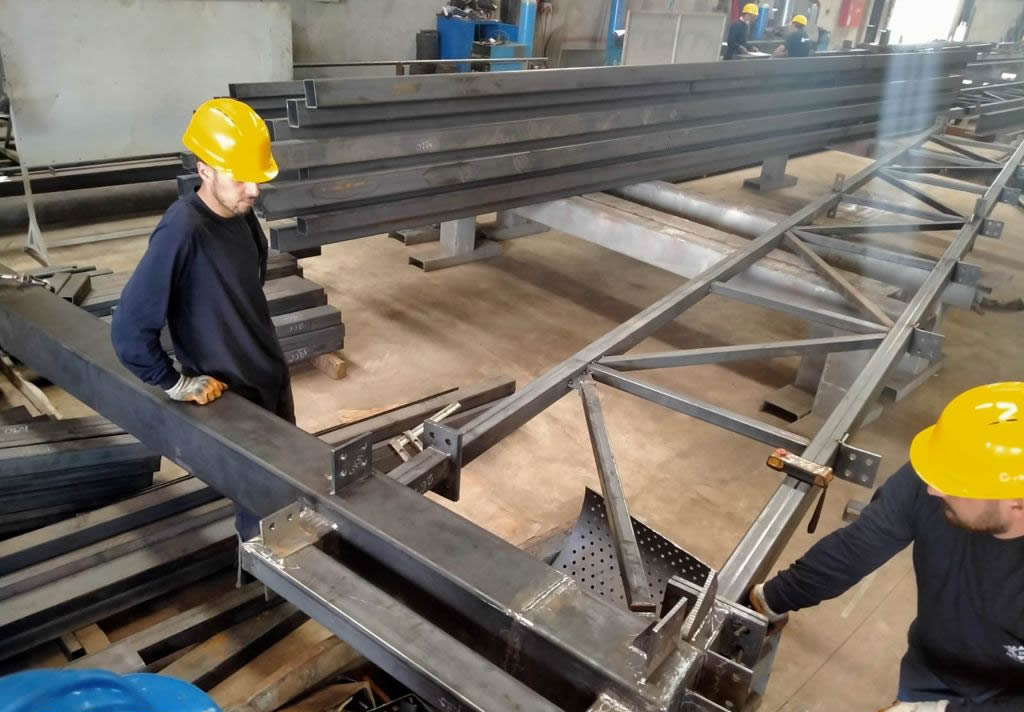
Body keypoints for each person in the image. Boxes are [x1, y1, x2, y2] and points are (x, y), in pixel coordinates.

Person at [749, 382, 1024, 712]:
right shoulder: (942, 470)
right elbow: (859, 546)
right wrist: (772, 599)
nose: (933, 490)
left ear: (1017, 502)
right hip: (930, 668)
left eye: (953, 485)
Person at [112, 98, 292, 540]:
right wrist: (174, 383)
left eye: (257, 177)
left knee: (288, 485)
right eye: (240, 177)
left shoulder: (241, 216)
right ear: (204, 170)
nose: (254, 190)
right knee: (262, 511)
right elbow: (129, 331)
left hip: (268, 375)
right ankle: (258, 571)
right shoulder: (182, 231)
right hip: (232, 398)